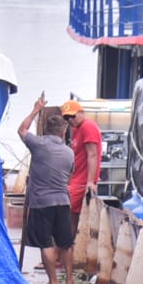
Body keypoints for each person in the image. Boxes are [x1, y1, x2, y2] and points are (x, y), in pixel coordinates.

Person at [17, 93, 76, 284]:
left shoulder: (39, 144)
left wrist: (36, 109)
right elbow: (69, 176)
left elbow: (22, 130)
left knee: (46, 242)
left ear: (46, 129)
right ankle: (69, 280)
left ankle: (54, 283)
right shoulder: (69, 152)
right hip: (63, 201)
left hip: (42, 202)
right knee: (65, 243)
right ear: (63, 131)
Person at [60, 99, 101, 255]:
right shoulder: (77, 128)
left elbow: (92, 154)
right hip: (76, 178)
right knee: (73, 216)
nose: (70, 120)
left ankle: (61, 254)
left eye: (72, 116)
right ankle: (71, 253)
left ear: (81, 113)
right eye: (67, 118)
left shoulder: (88, 127)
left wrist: (90, 182)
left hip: (82, 181)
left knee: (63, 214)